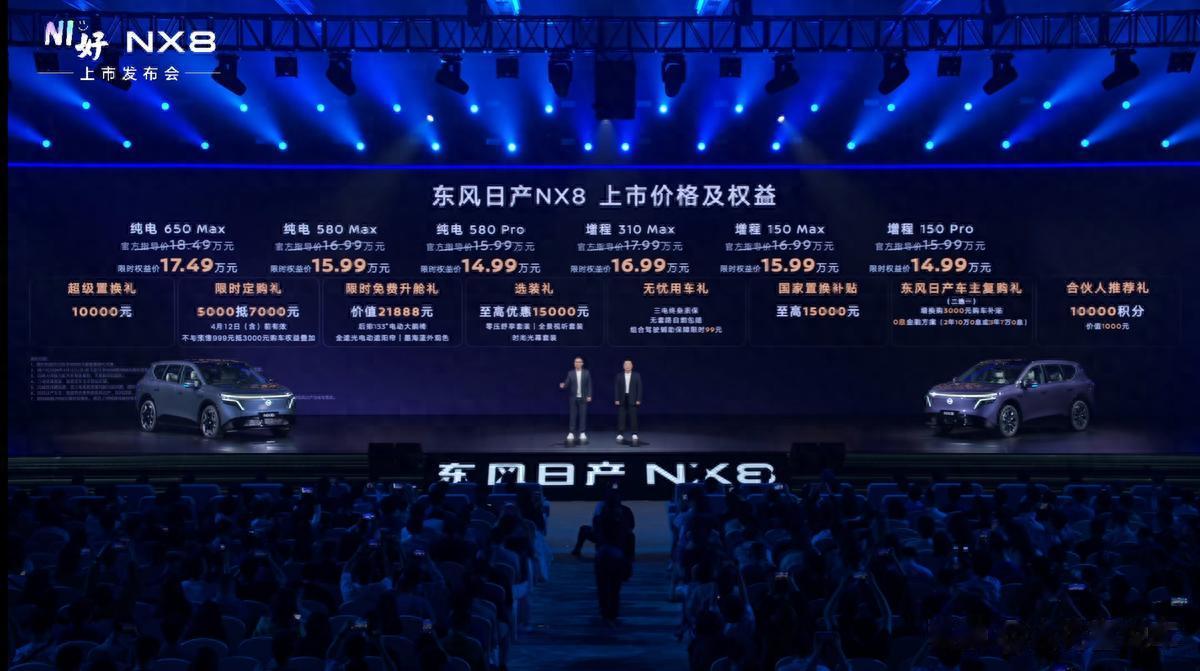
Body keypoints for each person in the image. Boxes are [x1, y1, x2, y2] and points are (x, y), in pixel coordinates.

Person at [559, 356, 592, 443]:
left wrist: (589, 395)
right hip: (573, 398)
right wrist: (563, 385)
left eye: (579, 362)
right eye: (575, 362)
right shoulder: (570, 373)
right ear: (574, 364)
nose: (577, 363)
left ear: (582, 363)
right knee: (573, 415)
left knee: (582, 415)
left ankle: (582, 432)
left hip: (583, 397)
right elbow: (567, 383)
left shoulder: (586, 373)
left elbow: (589, 385)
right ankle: (571, 432)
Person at [613, 358, 643, 444]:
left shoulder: (636, 375)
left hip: (632, 398)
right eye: (626, 364)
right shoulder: (619, 375)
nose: (627, 366)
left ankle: (634, 433)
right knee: (621, 417)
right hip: (622, 398)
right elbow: (616, 388)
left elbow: (639, 388)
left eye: (629, 364)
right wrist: (616, 399)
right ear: (623, 366)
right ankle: (620, 433)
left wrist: (638, 399)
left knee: (633, 417)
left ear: (632, 366)